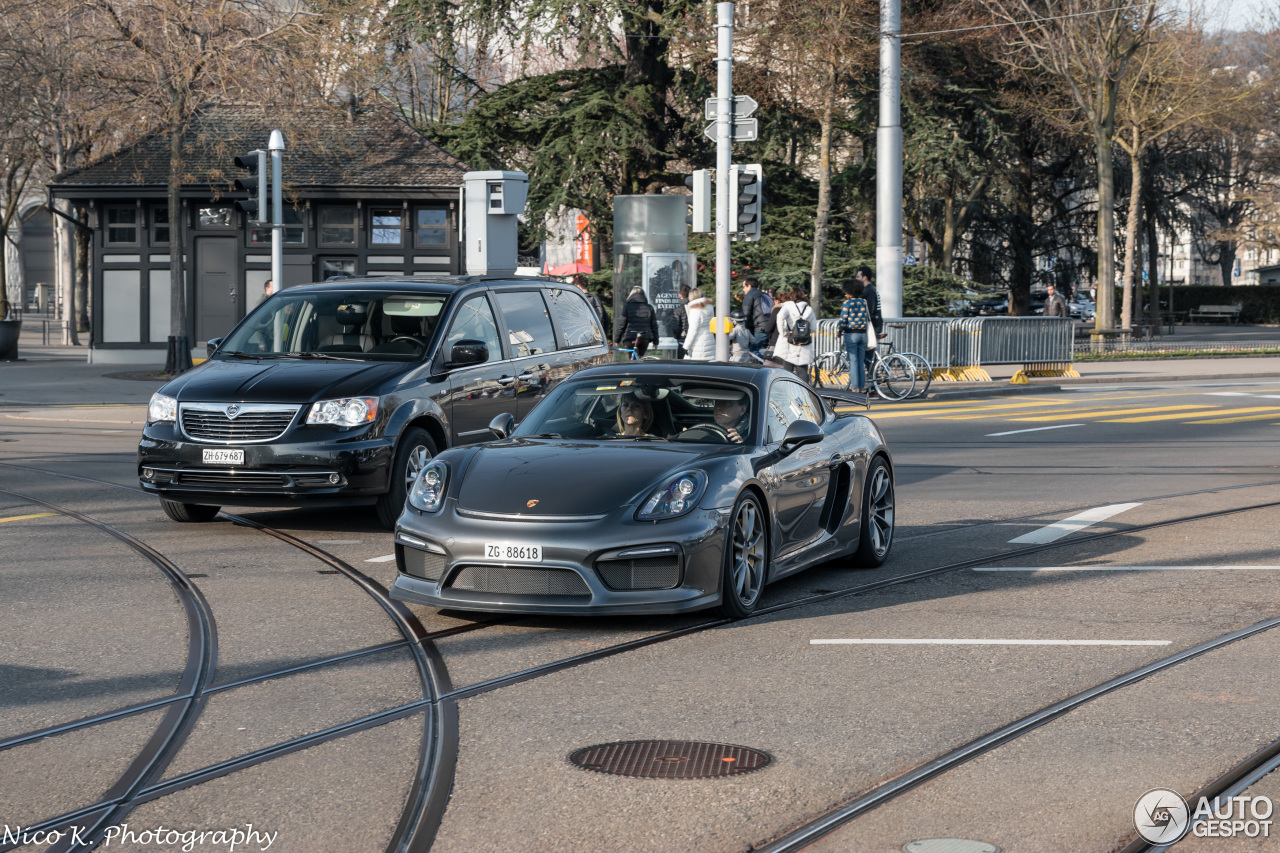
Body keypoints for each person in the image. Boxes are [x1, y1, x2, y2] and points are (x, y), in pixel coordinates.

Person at [772, 287, 816, 379]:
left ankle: (787, 391)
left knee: (787, 371)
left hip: (789, 341)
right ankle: (804, 392)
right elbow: (813, 328)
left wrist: (783, 332)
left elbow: (779, 317)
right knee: (802, 371)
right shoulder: (808, 309)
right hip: (804, 343)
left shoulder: (788, 306)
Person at [837, 279, 870, 393]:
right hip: (863, 334)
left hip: (851, 334)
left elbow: (843, 319)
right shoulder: (863, 302)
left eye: (846, 292)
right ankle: (861, 387)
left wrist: (839, 330)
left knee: (853, 362)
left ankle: (855, 388)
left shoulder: (847, 303)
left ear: (849, 292)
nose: (845, 294)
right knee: (860, 362)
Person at [613, 286, 659, 357]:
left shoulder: (627, 307)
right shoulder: (649, 307)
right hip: (645, 337)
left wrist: (617, 339)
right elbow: (654, 325)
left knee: (633, 361)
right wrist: (656, 342)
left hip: (631, 337)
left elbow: (622, 324)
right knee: (640, 359)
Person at [856, 266, 881, 381]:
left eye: (858, 276)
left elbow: (869, 311)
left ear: (864, 278)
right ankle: (872, 381)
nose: (856, 278)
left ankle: (874, 382)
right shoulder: (869, 290)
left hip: (871, 327)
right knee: (867, 355)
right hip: (871, 326)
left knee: (868, 356)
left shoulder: (869, 291)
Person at [683, 287, 715, 360]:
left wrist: (686, 346)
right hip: (709, 339)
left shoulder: (695, 309)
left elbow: (693, 330)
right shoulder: (709, 306)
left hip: (698, 344)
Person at [740, 277, 769, 356]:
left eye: (744, 287)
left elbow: (745, 314)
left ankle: (765, 366)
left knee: (753, 351)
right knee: (757, 349)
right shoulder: (764, 294)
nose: (743, 289)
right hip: (769, 326)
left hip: (760, 327)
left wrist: (744, 330)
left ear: (749, 286)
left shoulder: (749, 295)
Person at [673, 284, 691, 359]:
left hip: (683, 340)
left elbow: (675, 327)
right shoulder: (695, 307)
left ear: (680, 295)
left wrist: (678, 337)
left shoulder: (678, 309)